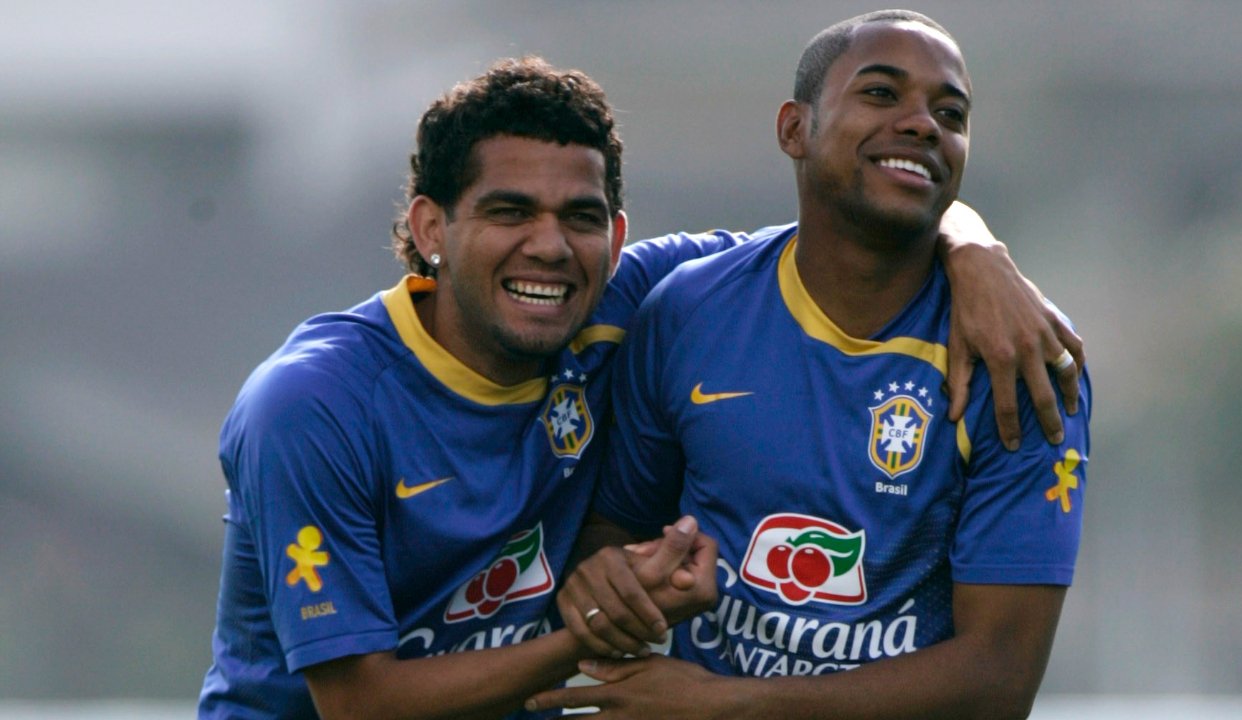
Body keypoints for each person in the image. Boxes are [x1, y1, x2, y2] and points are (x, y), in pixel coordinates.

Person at [198, 53, 1081, 719]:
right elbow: (362, 705)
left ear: (616, 235)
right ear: (431, 226)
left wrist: (975, 250)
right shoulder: (311, 406)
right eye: (509, 212)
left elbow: (854, 222)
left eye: (579, 218)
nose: (549, 245)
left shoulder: (640, 299)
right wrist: (590, 631)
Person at [534, 10, 1090, 719]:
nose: (923, 123)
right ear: (795, 128)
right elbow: (616, 527)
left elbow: (999, 680)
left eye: (949, 113)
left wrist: (727, 707)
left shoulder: (1022, 353)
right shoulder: (686, 306)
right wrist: (605, 581)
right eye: (882, 94)